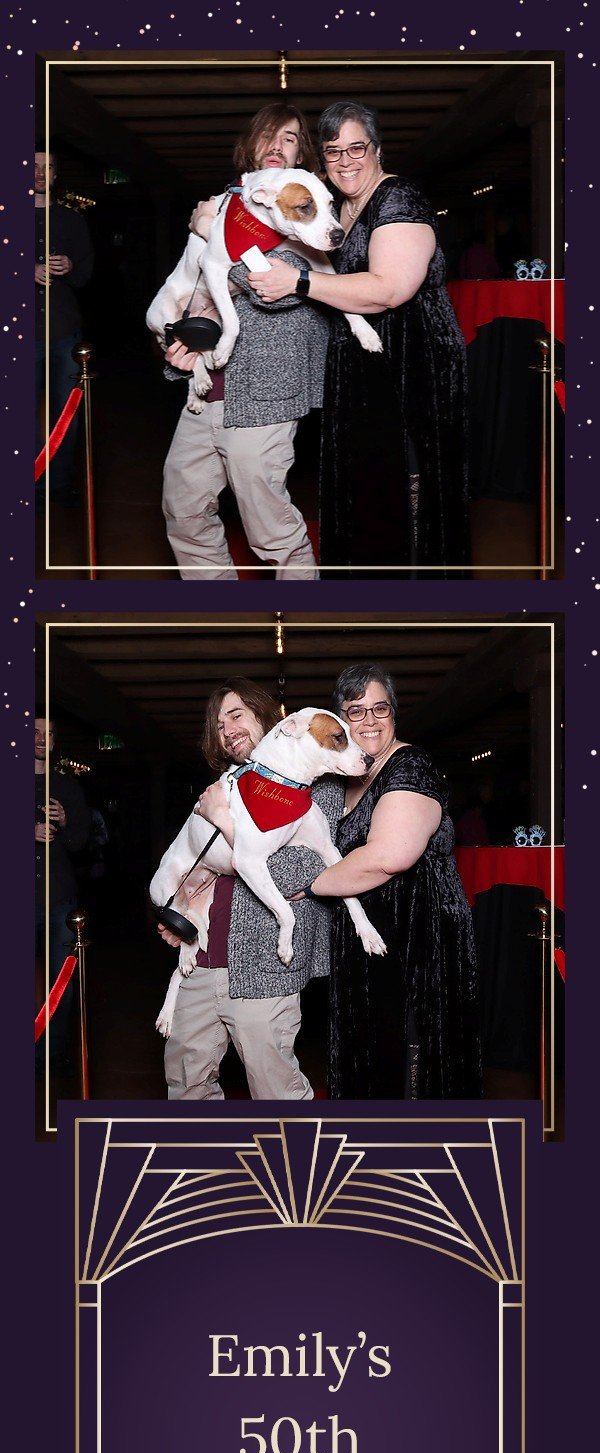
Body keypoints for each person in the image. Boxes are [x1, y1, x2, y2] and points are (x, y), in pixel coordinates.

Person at [247, 102, 469, 578]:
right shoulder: (334, 206)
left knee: (406, 483)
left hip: (411, 359)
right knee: (366, 484)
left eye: (356, 148)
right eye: (333, 151)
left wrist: (299, 282)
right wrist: (209, 218)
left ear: (377, 149)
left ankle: (416, 591)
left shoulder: (398, 198)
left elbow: (389, 290)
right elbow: (256, 216)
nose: (345, 161)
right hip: (359, 361)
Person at [294, 665, 481, 1100]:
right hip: (365, 947)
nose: (369, 720)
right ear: (340, 720)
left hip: (416, 944)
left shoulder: (410, 767)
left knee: (409, 1071)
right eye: (355, 710)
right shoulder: (343, 778)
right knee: (368, 1063)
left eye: (380, 708)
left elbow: (389, 857)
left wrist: (311, 886)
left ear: (393, 713)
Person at [160, 104, 329, 580]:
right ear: (249, 145)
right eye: (268, 135)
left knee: (270, 528)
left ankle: (305, 617)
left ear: (302, 153)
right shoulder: (223, 208)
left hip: (265, 396)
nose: (277, 145)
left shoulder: (308, 211)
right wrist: (178, 349)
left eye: (290, 138)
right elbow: (189, 289)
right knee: (184, 510)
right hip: (206, 392)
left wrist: (208, 233)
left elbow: (275, 290)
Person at [158, 681, 342, 1101]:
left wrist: (224, 821)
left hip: (264, 968)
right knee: (187, 1085)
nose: (227, 730)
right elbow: (196, 865)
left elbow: (299, 873)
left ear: (268, 717)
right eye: (219, 724)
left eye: (236, 715)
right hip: (202, 961)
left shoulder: (320, 784)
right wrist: (180, 917)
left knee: (276, 1093)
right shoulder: (229, 785)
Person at [34, 149, 94, 501]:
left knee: (66, 412)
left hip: (63, 330)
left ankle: (58, 483)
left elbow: (85, 275)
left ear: (56, 175)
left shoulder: (72, 220)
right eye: (34, 166)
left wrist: (71, 267)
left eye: (48, 167)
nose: (41, 173)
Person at [35, 716, 91, 1067]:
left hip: (58, 898)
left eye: (49, 733)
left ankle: (52, 1054)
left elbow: (82, 843)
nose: (43, 738)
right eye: (35, 732)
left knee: (61, 983)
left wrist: (68, 822)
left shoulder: (67, 786)